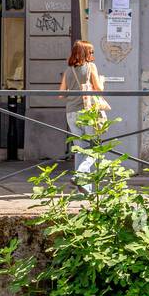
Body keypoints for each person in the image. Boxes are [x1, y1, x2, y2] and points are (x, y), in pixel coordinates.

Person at [59, 40, 103, 192]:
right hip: (87, 112)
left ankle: (84, 190)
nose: (93, 55)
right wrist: (101, 82)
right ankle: (80, 175)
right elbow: (99, 88)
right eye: (91, 52)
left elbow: (61, 94)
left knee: (79, 149)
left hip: (71, 112)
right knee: (95, 148)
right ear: (85, 53)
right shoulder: (91, 67)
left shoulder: (68, 70)